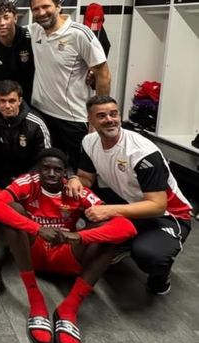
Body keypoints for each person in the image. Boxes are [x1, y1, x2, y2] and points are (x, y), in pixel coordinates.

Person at [0, 148, 136, 343]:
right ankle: (36, 301)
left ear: (65, 173)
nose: (51, 174)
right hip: (33, 252)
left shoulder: (76, 190)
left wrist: (79, 237)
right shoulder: (27, 182)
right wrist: (37, 229)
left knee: (110, 234)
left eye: (57, 170)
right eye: (46, 168)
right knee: (13, 210)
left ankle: (69, 309)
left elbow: (127, 227)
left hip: (66, 253)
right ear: (37, 169)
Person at [67, 96, 193, 295]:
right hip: (128, 201)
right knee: (74, 194)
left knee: (150, 256)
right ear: (90, 120)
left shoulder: (142, 152)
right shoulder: (89, 142)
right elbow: (86, 178)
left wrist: (109, 211)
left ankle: (160, 278)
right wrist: (74, 179)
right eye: (102, 116)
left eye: (113, 114)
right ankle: (125, 239)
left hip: (167, 215)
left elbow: (158, 205)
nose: (110, 119)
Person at [28, 0, 111, 169]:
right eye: (36, 9)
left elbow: (103, 74)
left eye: (46, 6)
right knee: (49, 170)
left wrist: (98, 116)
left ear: (59, 6)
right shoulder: (35, 30)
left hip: (73, 118)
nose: (41, 12)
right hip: (42, 113)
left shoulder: (79, 33)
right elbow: (7, 29)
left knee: (81, 170)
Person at [0, 80, 51, 188]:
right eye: (2, 101)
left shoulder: (36, 124)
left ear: (20, 100)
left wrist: (24, 180)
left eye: (12, 101)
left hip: (29, 180)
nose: (7, 106)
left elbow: (44, 158)